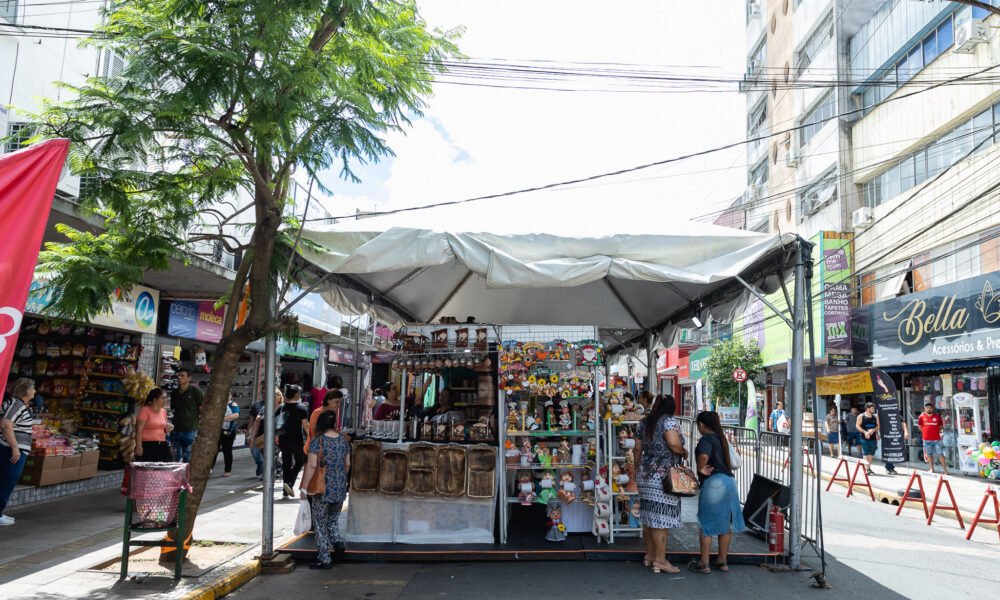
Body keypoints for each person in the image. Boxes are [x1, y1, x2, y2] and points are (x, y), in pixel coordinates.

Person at [634, 394, 686, 574]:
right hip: (663, 476)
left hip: (644, 474)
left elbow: (637, 448)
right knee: (661, 520)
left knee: (649, 517)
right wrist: (683, 450)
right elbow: (673, 443)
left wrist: (636, 469)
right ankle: (660, 560)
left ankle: (649, 556)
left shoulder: (644, 422)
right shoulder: (669, 421)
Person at [689, 410, 745, 574]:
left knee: (706, 524)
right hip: (729, 482)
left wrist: (700, 469)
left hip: (714, 483)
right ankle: (722, 560)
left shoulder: (707, 439)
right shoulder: (722, 439)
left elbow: (704, 455)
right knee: (724, 525)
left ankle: (704, 563)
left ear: (701, 425)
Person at [299, 411, 351, 569]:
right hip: (340, 486)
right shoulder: (344, 441)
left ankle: (324, 558)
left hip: (322, 488)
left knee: (320, 523)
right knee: (333, 520)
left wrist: (304, 487)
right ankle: (338, 544)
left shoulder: (317, 442)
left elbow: (312, 465)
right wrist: (340, 478)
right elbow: (347, 464)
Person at [0, 379, 35, 526]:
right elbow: (6, 425)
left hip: (11, 449)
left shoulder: (17, 404)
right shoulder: (17, 405)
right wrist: (15, 447)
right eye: (33, 388)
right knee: (7, 480)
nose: (35, 391)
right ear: (26, 390)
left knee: (6, 480)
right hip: (10, 450)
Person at [275, 384, 309, 498]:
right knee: (299, 462)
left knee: (286, 463)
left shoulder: (281, 407)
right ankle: (289, 483)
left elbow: (276, 424)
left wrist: (276, 437)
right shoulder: (302, 408)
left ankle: (285, 491)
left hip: (283, 439)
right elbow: (305, 426)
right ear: (296, 394)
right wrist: (310, 437)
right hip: (296, 439)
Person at [248, 388, 283, 480]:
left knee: (273, 456)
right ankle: (267, 471)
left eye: (274, 396)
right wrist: (252, 437)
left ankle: (268, 474)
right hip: (263, 437)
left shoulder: (282, 408)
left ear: (279, 397)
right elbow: (257, 422)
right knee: (260, 454)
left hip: (277, 437)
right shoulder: (264, 408)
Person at [169, 368, 203, 463]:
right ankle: (175, 477)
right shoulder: (174, 393)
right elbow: (172, 410)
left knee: (187, 457)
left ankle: (187, 477)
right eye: (178, 375)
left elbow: (202, 410)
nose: (179, 378)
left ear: (189, 378)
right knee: (174, 456)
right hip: (175, 429)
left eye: (182, 376)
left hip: (189, 430)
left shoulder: (196, 391)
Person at [134, 388, 174, 462]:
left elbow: (163, 427)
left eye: (166, 397)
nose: (166, 400)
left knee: (162, 469)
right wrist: (139, 446)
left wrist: (170, 427)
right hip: (147, 445)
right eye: (163, 398)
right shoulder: (145, 410)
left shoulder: (164, 411)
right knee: (147, 470)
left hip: (161, 444)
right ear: (155, 399)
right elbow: (138, 430)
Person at [211, 393, 240, 476]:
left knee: (226, 450)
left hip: (229, 430)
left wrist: (221, 419)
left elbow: (236, 415)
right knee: (214, 450)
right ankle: (209, 469)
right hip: (217, 430)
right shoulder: (218, 403)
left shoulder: (233, 404)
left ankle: (228, 470)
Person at [306, 390, 343, 454]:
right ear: (328, 401)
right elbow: (313, 433)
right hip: (314, 451)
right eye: (336, 402)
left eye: (340, 402)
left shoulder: (333, 413)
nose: (339, 405)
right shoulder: (317, 413)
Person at [918, 402, 948, 475]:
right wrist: (926, 432)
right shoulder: (921, 417)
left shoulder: (937, 417)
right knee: (929, 454)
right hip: (926, 439)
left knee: (940, 454)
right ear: (925, 409)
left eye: (930, 408)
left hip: (937, 439)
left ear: (932, 409)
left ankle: (945, 470)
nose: (928, 409)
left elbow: (941, 426)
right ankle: (931, 469)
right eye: (927, 408)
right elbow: (920, 427)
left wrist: (935, 431)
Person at [856, 403, 880, 475]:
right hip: (864, 437)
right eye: (872, 408)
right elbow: (857, 426)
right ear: (868, 408)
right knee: (866, 453)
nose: (874, 410)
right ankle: (867, 468)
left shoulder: (875, 417)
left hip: (873, 438)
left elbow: (878, 426)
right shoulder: (861, 416)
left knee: (871, 453)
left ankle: (868, 467)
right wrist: (865, 432)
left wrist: (875, 431)